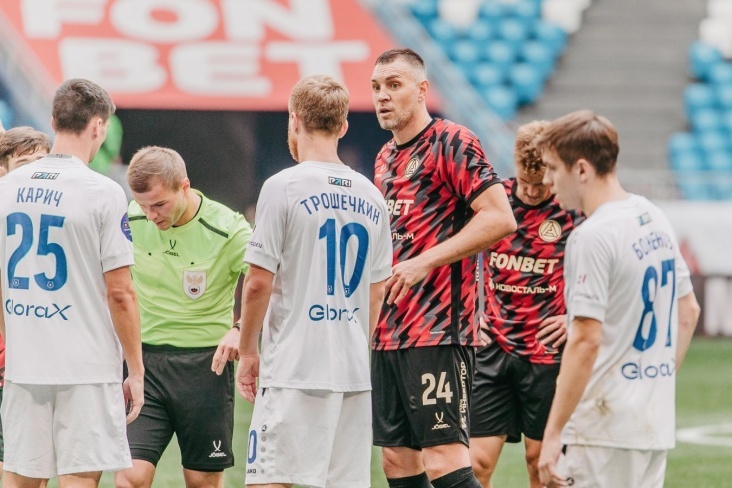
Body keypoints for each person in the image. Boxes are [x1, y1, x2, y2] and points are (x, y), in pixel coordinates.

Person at [370, 48, 517, 488]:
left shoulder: (452, 141)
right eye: (376, 87)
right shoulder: (385, 156)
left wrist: (425, 261)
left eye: (393, 85)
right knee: (397, 460)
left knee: (443, 459)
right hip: (388, 331)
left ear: (422, 90)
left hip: (437, 328)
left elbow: (500, 218)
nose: (382, 96)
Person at [237, 75, 393, 488]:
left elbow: (257, 283)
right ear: (343, 126)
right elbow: (377, 291)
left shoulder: (282, 187)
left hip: (294, 367)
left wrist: (248, 349)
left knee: (269, 481)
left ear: (294, 119)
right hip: (352, 371)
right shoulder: (373, 196)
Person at [535, 110, 701, 488]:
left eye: (552, 168)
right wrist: (651, 385)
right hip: (651, 423)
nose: (546, 180)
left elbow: (585, 340)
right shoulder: (653, 215)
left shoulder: (592, 235)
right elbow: (688, 311)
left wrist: (553, 432)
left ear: (581, 169)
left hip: (601, 431)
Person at [0, 78, 144, 488]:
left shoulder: (5, 188)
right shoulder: (104, 192)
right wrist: (135, 369)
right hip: (87, 366)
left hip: (25, 364)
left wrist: (14, 338)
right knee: (79, 478)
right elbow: (121, 292)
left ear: (53, 121)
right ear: (98, 127)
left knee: (20, 478)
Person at [115, 146, 252, 488]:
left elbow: (270, 283)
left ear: (185, 187)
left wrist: (240, 329)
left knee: (202, 481)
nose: (150, 215)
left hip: (206, 368)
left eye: (159, 205)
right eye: (143, 205)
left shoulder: (228, 228)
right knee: (129, 478)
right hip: (143, 365)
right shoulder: (128, 220)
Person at [469, 121, 583, 488]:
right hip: (493, 348)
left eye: (540, 184)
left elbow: (601, 269)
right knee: (475, 465)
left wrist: (573, 317)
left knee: (540, 464)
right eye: (525, 182)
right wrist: (468, 311)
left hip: (546, 353)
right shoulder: (493, 201)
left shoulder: (572, 210)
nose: (532, 192)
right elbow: (456, 253)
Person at [0, 125, 51, 481]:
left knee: (32, 469)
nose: (34, 173)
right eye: (24, 165)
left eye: (40, 164)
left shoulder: (56, 216)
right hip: (11, 360)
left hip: (34, 363)